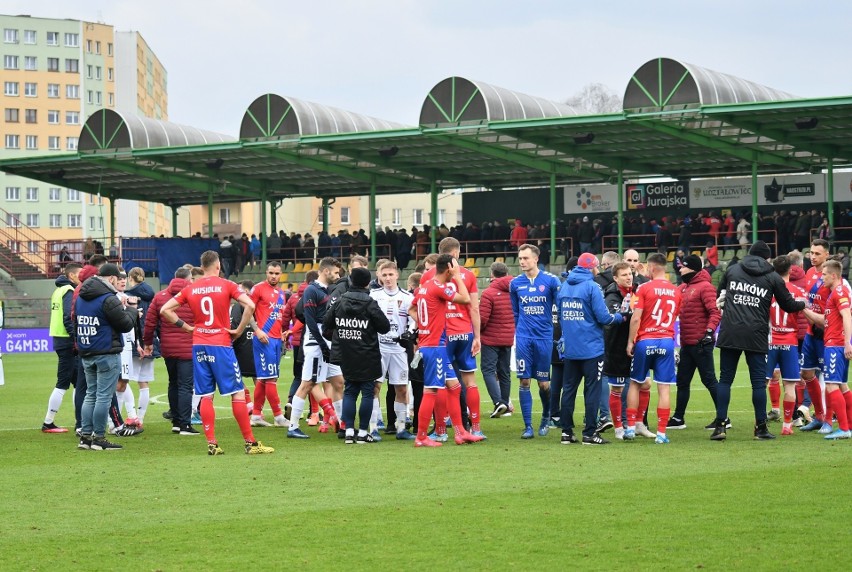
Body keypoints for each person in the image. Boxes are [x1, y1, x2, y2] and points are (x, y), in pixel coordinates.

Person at [160, 250, 273, 455]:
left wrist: (186, 327)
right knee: (237, 392)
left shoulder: (191, 288)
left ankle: (212, 444)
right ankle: (250, 443)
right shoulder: (227, 285)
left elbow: (165, 309)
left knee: (206, 395)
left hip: (199, 345)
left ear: (201, 267)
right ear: (218, 265)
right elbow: (249, 304)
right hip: (220, 344)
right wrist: (238, 331)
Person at [711, 241, 807, 441]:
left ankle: (720, 426)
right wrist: (803, 303)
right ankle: (760, 428)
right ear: (767, 258)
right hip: (756, 334)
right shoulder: (772, 276)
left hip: (730, 331)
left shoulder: (733, 270)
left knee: (725, 380)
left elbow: (719, 296)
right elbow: (788, 305)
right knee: (757, 384)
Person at [410, 254, 482, 447]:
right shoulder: (438, 287)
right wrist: (458, 277)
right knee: (431, 390)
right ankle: (421, 436)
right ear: (449, 268)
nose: (458, 270)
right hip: (435, 346)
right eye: (456, 267)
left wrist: (425, 326)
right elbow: (466, 299)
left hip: (432, 343)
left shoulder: (424, 286)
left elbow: (411, 308)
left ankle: (460, 432)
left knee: (455, 387)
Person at [557, 253, 625, 445]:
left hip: (570, 348)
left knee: (568, 390)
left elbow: (562, 316)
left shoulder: (564, 286)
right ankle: (589, 433)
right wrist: (621, 317)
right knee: (592, 391)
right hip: (591, 350)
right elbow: (605, 318)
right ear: (593, 267)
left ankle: (566, 432)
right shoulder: (592, 287)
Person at [324, 267, 391, 444]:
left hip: (346, 353)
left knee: (350, 392)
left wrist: (342, 335)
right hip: (367, 354)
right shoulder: (370, 303)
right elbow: (384, 326)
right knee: (368, 393)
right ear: (367, 282)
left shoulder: (339, 301)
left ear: (351, 281)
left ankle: (348, 432)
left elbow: (326, 325)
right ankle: (362, 433)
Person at [75, 263, 138, 451]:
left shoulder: (81, 297)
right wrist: (132, 310)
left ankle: (85, 437)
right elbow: (125, 324)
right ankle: (99, 438)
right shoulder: (108, 299)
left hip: (87, 351)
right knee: (103, 396)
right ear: (111, 279)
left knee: (90, 395)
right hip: (106, 352)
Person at [286, 257, 345, 439]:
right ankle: (293, 427)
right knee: (308, 383)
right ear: (326, 271)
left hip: (328, 342)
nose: (337, 275)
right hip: (315, 343)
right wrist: (321, 344)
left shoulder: (327, 290)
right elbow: (310, 320)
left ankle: (343, 424)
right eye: (335, 272)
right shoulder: (312, 290)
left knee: (339, 382)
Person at [625, 253, 681, 444]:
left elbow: (635, 317)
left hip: (646, 340)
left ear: (652, 267)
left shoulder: (644, 288)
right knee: (664, 389)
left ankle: (631, 428)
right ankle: (662, 433)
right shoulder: (676, 290)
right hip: (666, 341)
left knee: (635, 383)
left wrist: (630, 341)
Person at [509, 244, 561, 439]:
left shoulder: (550, 281)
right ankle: (528, 426)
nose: (522, 261)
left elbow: (560, 309)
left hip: (544, 338)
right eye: (520, 258)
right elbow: (515, 312)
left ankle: (546, 417)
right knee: (524, 381)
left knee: (543, 384)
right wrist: (518, 332)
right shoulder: (515, 283)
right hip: (523, 338)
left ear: (536, 259)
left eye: (525, 258)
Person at [668, 254, 721, 430]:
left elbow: (715, 312)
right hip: (686, 343)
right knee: (682, 381)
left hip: (700, 343)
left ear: (692, 268)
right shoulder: (683, 288)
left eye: (683, 266)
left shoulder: (706, 287)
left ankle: (723, 417)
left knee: (709, 380)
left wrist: (708, 332)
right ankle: (678, 418)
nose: (680, 269)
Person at [143, 267, 197, 435]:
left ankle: (175, 421)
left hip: (168, 347)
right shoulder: (193, 296)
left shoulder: (160, 296)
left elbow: (149, 322)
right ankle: (185, 424)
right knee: (186, 386)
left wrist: (148, 343)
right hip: (188, 346)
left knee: (173, 382)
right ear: (189, 279)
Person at [370, 261, 416, 440]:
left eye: (391, 274)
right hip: (378, 348)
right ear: (379, 277)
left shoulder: (407, 297)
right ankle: (373, 428)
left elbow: (414, 320)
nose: (388, 278)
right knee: (374, 387)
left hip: (398, 349)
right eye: (384, 275)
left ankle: (401, 428)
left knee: (402, 389)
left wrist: (409, 333)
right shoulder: (373, 295)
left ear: (397, 275)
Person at [806, 260, 852, 439]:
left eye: (824, 274)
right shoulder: (838, 292)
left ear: (834, 275)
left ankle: (843, 428)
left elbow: (847, 316)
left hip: (835, 344)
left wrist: (848, 342)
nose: (821, 277)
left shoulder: (839, 292)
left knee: (832, 385)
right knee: (842, 386)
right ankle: (848, 426)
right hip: (836, 343)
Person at [763, 256, 806, 436]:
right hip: (790, 342)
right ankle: (787, 425)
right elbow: (804, 316)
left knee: (762, 383)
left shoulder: (768, 291)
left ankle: (760, 423)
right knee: (790, 386)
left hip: (771, 342)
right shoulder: (798, 291)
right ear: (790, 270)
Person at [41, 262, 82, 433]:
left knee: (78, 382)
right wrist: (76, 339)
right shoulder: (69, 291)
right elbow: (68, 317)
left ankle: (79, 420)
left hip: (60, 340)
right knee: (63, 383)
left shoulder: (58, 290)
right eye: (80, 273)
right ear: (72, 276)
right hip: (67, 342)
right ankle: (48, 422)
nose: (82, 276)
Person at [248, 262, 289, 428]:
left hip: (276, 340)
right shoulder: (258, 289)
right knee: (270, 378)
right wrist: (257, 330)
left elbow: (278, 316)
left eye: (277, 273)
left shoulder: (281, 293)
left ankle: (256, 415)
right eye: (271, 273)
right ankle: (278, 417)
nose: (274, 276)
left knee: (264, 380)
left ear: (281, 274)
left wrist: (281, 335)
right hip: (263, 339)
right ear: (266, 272)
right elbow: (247, 311)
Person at [799, 239, 832, 432]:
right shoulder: (809, 273)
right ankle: (818, 416)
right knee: (806, 373)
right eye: (811, 252)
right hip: (811, 332)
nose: (813, 256)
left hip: (827, 333)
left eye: (817, 253)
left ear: (826, 254)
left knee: (830, 379)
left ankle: (829, 420)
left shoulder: (832, 276)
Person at [601, 262, 633, 440]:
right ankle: (619, 427)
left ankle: (635, 423)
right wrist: (633, 313)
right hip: (616, 349)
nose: (629, 277)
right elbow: (616, 318)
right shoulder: (612, 297)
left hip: (634, 347)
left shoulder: (633, 291)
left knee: (642, 384)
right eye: (624, 275)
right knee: (618, 388)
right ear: (615, 278)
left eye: (630, 274)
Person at [479, 261, 514, 417]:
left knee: (488, 370)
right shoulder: (515, 290)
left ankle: (498, 402)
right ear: (506, 274)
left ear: (492, 274)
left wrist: (477, 331)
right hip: (508, 338)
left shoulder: (488, 293)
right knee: (505, 372)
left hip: (491, 339)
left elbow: (483, 319)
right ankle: (505, 404)